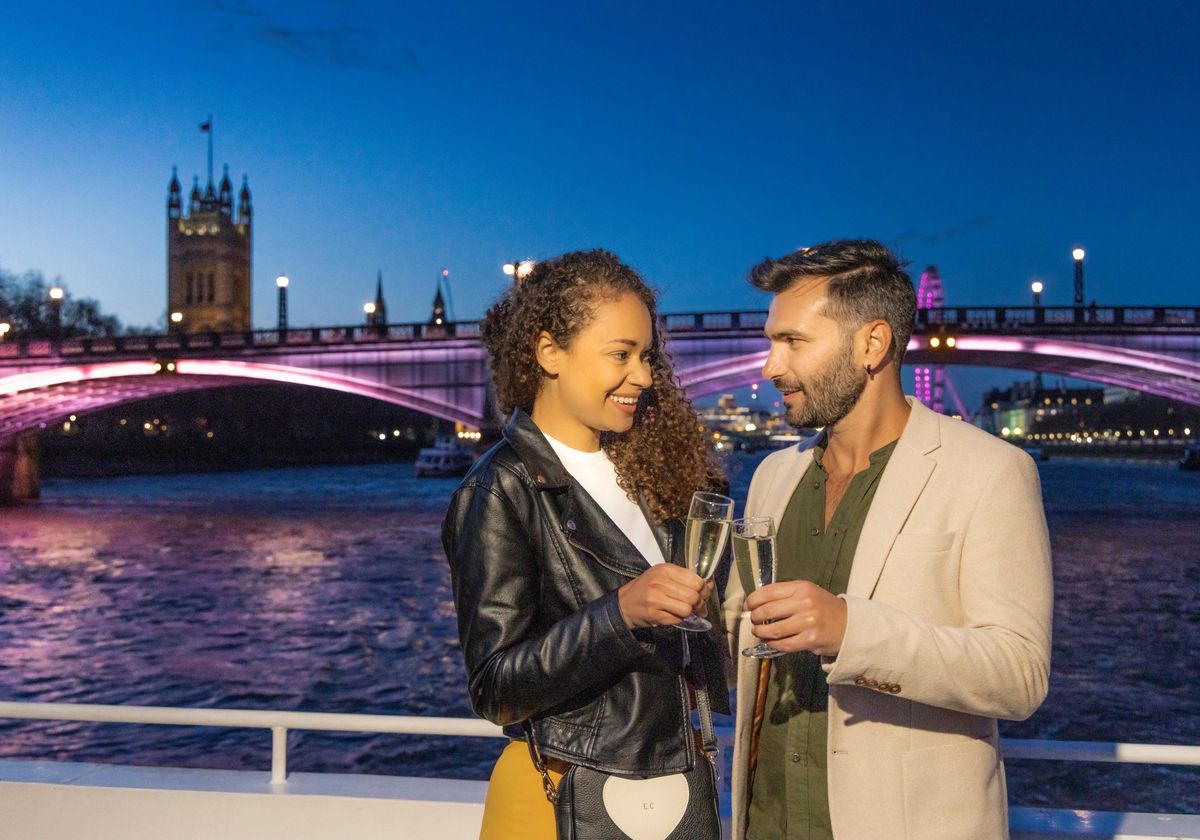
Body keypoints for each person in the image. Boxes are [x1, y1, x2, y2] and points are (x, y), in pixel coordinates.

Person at [721, 239, 1053, 840]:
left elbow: (1019, 673)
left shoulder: (990, 472)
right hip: (766, 822)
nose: (769, 367)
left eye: (793, 341)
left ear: (872, 344)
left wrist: (853, 631)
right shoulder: (772, 478)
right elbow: (741, 645)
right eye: (772, 341)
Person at [443, 248, 729, 839]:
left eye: (646, 356)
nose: (644, 376)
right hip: (560, 795)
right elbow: (495, 687)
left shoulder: (656, 470)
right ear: (550, 352)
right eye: (620, 355)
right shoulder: (500, 489)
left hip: (675, 789)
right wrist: (621, 614)